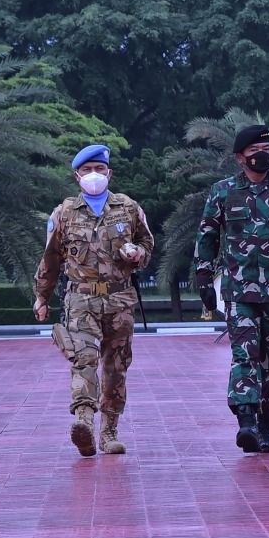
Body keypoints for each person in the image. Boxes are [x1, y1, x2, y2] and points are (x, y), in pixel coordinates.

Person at [194, 123, 269, 454]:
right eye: (255, 153)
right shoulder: (223, 192)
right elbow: (207, 235)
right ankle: (245, 420)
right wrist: (203, 277)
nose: (262, 158)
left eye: (267, 152)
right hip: (239, 291)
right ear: (240, 158)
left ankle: (267, 427)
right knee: (244, 354)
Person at [34, 143, 153, 457]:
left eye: (99, 169)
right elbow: (50, 260)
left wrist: (138, 253)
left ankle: (110, 431)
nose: (94, 175)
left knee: (116, 367)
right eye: (87, 170)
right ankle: (83, 421)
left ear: (109, 173)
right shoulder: (64, 214)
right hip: (82, 300)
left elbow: (147, 244)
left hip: (119, 301)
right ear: (77, 176)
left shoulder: (128, 209)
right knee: (83, 359)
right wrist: (42, 297)